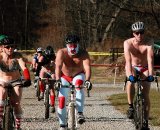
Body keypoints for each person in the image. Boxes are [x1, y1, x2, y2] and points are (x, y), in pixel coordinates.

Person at [55, 34, 92, 130]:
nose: (72, 47)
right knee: (62, 100)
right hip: (64, 76)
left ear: (78, 44)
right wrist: (58, 80)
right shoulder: (61, 52)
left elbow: (87, 68)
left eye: (75, 44)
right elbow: (58, 67)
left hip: (78, 75)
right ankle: (62, 125)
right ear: (66, 45)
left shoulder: (83, 53)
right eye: (70, 45)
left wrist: (87, 80)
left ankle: (80, 113)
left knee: (79, 85)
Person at [124, 21, 154, 130]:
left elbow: (150, 60)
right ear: (133, 33)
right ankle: (131, 106)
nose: (139, 35)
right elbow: (127, 61)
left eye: (141, 32)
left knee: (146, 94)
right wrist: (129, 75)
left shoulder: (149, 42)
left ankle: (145, 120)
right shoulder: (127, 43)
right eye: (137, 33)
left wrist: (151, 75)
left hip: (145, 67)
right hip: (132, 66)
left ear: (144, 32)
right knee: (130, 82)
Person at [0, 34, 31, 129]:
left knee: (16, 103)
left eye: (12, 46)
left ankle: (18, 126)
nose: (10, 49)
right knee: (1, 96)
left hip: (16, 80)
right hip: (2, 80)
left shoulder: (17, 56)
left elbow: (23, 66)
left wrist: (28, 78)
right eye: (7, 47)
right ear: (2, 47)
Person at [38, 45, 56, 112]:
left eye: (51, 56)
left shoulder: (55, 57)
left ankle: (53, 105)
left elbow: (59, 66)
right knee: (41, 78)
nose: (49, 58)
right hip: (44, 70)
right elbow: (38, 66)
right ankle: (42, 92)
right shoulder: (42, 57)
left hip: (52, 72)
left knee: (52, 88)